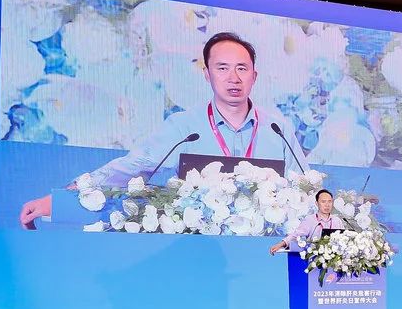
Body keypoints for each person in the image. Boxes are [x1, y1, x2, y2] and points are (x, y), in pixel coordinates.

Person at [19, 32, 310, 228]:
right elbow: (130, 169)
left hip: (266, 255)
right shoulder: (183, 126)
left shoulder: (277, 128)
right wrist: (61, 200)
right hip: (199, 252)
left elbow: (305, 190)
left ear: (254, 76)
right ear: (207, 74)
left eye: (242, 69)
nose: (233, 78)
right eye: (222, 68)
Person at [270, 189, 345, 254]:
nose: (327, 205)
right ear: (317, 203)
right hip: (315, 260)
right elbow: (296, 235)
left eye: (329, 202)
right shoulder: (310, 220)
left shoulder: (337, 220)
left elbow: (344, 239)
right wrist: (281, 244)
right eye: (323, 202)